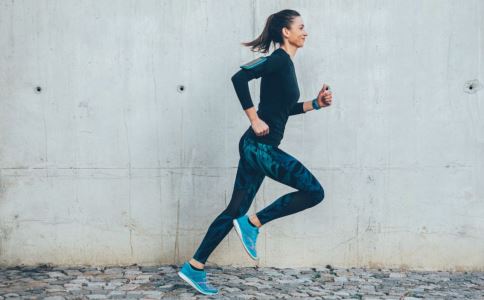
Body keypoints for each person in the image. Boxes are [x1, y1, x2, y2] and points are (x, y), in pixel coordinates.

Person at [177, 9, 333, 295]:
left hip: (257, 148)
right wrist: (253, 118)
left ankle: (194, 267)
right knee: (314, 191)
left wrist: (316, 104)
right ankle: (253, 224)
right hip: (258, 147)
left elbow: (284, 109)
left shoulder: (286, 65)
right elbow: (239, 79)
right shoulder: (277, 60)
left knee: (234, 209)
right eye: (301, 27)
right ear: (286, 32)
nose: (305, 31)